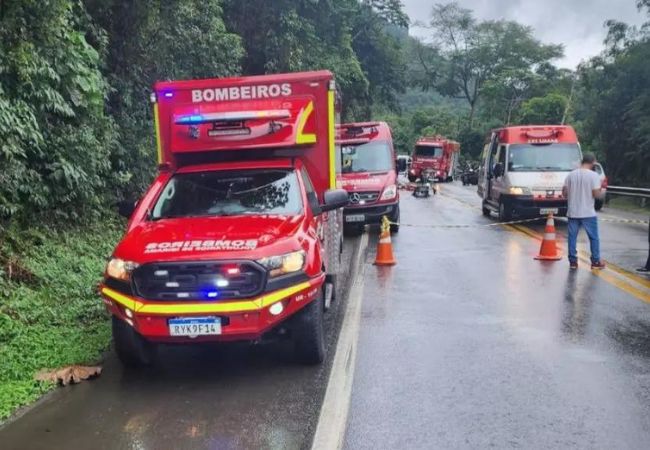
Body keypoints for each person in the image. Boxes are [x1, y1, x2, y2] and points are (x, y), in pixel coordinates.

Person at [562, 153, 606, 270]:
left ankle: (573, 261)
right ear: (592, 162)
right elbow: (596, 194)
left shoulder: (570, 175)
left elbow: (564, 193)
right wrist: (601, 193)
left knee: (572, 237)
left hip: (573, 211)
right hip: (588, 212)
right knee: (593, 237)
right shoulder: (593, 176)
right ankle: (595, 261)